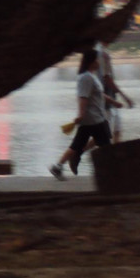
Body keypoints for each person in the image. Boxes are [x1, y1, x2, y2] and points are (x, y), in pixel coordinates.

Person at [50, 48, 122, 180]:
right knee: (105, 146)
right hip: (93, 119)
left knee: (77, 146)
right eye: (96, 59)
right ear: (91, 62)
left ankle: (58, 166)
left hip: (94, 118)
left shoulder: (91, 76)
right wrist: (81, 114)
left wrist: (114, 102)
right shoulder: (85, 78)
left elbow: (99, 94)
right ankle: (112, 172)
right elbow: (83, 97)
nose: (99, 62)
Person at [95, 39, 134, 144]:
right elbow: (107, 78)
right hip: (106, 98)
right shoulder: (102, 54)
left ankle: (116, 158)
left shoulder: (102, 52)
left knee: (117, 131)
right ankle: (77, 152)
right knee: (105, 134)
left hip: (110, 97)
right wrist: (124, 96)